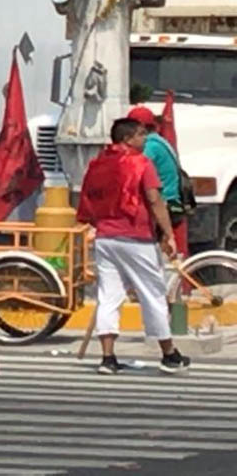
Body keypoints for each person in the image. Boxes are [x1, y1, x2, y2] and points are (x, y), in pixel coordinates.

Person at [77, 118, 191, 375]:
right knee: (152, 293)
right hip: (137, 237)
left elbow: (90, 198)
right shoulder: (141, 164)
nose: (144, 139)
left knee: (109, 296)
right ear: (128, 139)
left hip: (106, 237)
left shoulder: (98, 164)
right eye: (140, 135)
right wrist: (168, 233)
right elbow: (154, 199)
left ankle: (107, 358)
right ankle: (169, 353)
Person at [127, 107, 187, 254]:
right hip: (174, 202)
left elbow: (135, 173)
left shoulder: (149, 146)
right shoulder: (161, 142)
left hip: (164, 204)